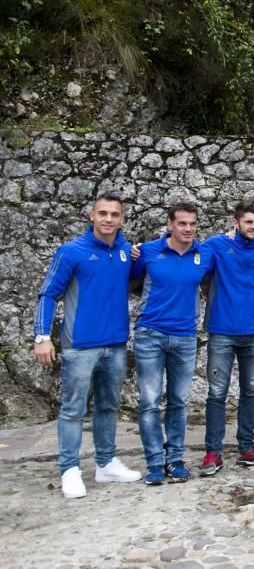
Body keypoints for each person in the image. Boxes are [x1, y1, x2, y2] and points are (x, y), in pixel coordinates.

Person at [34, 193, 142, 498]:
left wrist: (136, 257)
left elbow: (135, 283)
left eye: (115, 214)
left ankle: (106, 463)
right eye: (103, 213)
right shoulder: (71, 252)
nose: (109, 219)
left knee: (109, 406)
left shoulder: (124, 251)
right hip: (79, 346)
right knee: (72, 409)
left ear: (122, 219)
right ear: (91, 216)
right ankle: (69, 469)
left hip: (116, 344)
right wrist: (42, 337)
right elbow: (48, 294)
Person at [199, 199, 254, 475]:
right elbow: (190, 255)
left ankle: (247, 447)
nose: (253, 227)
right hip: (222, 331)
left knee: (251, 391)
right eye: (248, 222)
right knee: (217, 392)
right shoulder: (216, 245)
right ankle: (213, 452)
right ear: (235, 223)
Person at [130, 202, 215, 486]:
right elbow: (130, 281)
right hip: (150, 334)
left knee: (179, 402)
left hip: (185, 337)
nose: (188, 228)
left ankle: (175, 460)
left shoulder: (204, 254)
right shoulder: (149, 252)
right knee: (151, 402)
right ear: (170, 224)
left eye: (192, 223)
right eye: (182, 223)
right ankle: (155, 462)